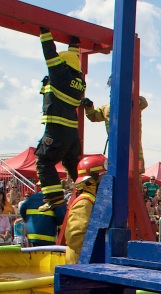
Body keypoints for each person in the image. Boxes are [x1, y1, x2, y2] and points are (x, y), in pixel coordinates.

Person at [35, 28, 86, 212]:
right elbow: (73, 59)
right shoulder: (79, 81)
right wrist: (74, 44)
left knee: (44, 161)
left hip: (56, 128)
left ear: (63, 64)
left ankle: (55, 199)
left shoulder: (59, 75)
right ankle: (87, 192)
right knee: (73, 165)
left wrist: (44, 31)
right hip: (71, 132)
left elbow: (49, 52)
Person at [83, 77, 148, 173]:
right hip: (118, 150)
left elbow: (144, 103)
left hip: (132, 151)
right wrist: (89, 107)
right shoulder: (107, 108)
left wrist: (132, 99)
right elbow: (93, 116)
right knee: (120, 174)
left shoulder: (134, 103)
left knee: (132, 176)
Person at [64, 155, 106, 264]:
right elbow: (76, 237)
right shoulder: (84, 203)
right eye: (104, 177)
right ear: (91, 181)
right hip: (80, 264)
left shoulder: (94, 201)